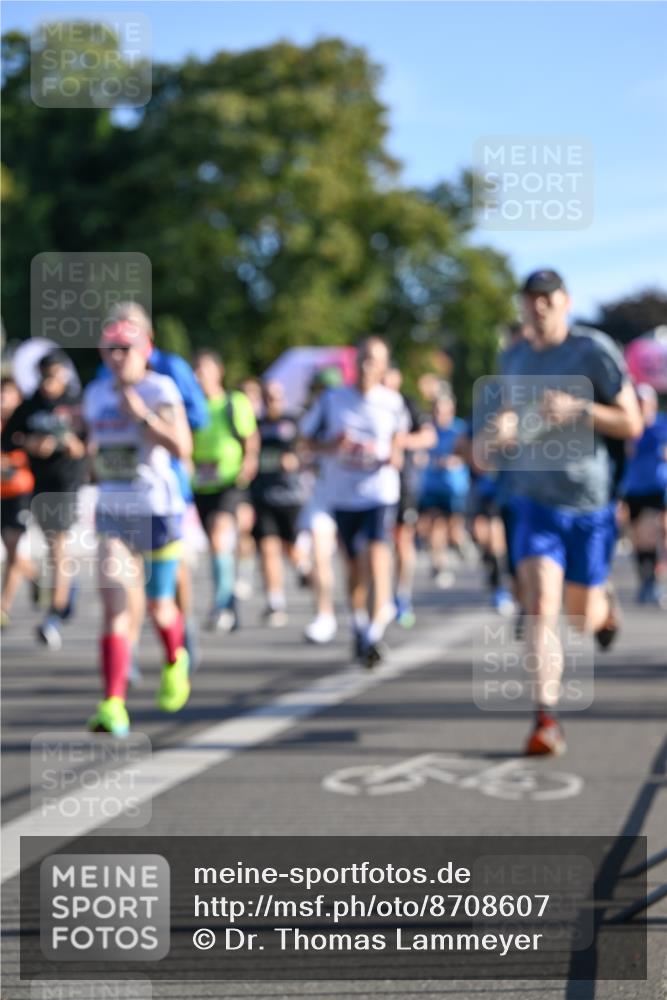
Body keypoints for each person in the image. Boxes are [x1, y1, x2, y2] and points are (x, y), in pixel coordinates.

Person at [477, 269, 643, 756]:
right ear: (523, 306)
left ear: (566, 301)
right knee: (539, 607)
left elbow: (631, 422)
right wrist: (501, 429)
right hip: (534, 502)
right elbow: (503, 419)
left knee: (580, 618)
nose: (539, 306)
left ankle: (603, 605)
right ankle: (545, 720)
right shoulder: (514, 358)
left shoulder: (594, 351)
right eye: (531, 299)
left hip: (589, 503)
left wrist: (580, 410)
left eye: (548, 297)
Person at [83, 318, 193, 735]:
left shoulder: (160, 390)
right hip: (113, 509)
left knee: (158, 606)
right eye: (108, 348)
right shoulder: (94, 395)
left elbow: (183, 448)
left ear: (145, 348)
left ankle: (173, 659)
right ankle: (113, 704)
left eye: (124, 348)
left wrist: (143, 417)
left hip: (156, 511)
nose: (115, 356)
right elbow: (97, 452)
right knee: (114, 605)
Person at [104, 302, 208, 672]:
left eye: (129, 332)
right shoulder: (106, 377)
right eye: (113, 335)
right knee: (121, 575)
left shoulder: (170, 369)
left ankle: (183, 631)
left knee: (168, 573)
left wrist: (152, 416)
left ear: (146, 337)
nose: (120, 347)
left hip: (168, 483)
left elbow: (199, 415)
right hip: (120, 492)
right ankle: (127, 648)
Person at [300, 336, 409, 667]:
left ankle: (374, 633)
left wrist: (391, 455)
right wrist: (332, 445)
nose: (366, 366)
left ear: (383, 367)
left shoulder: (392, 402)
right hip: (343, 494)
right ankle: (360, 623)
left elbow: (399, 446)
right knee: (352, 566)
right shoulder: (332, 400)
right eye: (362, 358)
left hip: (379, 492)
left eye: (374, 360)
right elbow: (304, 443)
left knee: (377, 554)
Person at [1, 351, 86, 649]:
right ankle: (64, 592)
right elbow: (11, 439)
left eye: (56, 375)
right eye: (46, 376)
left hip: (66, 482)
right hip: (37, 482)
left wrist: (72, 444)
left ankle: (53, 615)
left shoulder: (77, 403)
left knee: (56, 545)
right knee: (46, 546)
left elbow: (90, 443)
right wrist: (32, 444)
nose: (51, 382)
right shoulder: (30, 405)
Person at [192, 350, 258, 631]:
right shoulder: (189, 406)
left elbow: (250, 437)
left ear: (218, 371)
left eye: (204, 369)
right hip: (200, 483)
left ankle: (221, 605)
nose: (199, 375)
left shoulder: (234, 402)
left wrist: (249, 462)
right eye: (195, 369)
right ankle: (229, 599)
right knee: (214, 546)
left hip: (230, 481)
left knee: (220, 539)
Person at [383, 366, 436, 628]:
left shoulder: (407, 404)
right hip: (368, 487)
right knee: (375, 544)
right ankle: (381, 597)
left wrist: (401, 442)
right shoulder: (361, 402)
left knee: (402, 539)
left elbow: (428, 436)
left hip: (402, 484)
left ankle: (402, 595)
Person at [251, 380, 306, 626]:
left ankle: (304, 568)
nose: (271, 402)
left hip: (290, 497)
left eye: (275, 397)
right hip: (263, 496)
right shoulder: (256, 425)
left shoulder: (293, 422)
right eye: (267, 397)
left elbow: (306, 450)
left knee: (291, 550)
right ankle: (275, 602)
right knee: (267, 549)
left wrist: (295, 459)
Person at [296, 368, 343, 645]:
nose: (324, 395)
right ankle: (324, 614)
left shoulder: (353, 408)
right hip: (322, 495)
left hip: (356, 496)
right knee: (319, 553)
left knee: (358, 561)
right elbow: (303, 448)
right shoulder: (313, 416)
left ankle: (369, 616)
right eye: (319, 389)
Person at [418, 388, 470, 589]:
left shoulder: (460, 429)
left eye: (443, 409)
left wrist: (454, 460)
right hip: (431, 486)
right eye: (436, 410)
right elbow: (420, 450)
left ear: (451, 409)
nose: (440, 414)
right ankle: (439, 565)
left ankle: (460, 542)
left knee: (453, 529)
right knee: (434, 525)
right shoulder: (428, 430)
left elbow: (468, 454)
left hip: (454, 487)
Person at [621, 383, 667, 605]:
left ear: (653, 403)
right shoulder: (629, 426)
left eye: (645, 402)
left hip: (657, 489)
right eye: (638, 402)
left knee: (650, 533)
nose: (642, 406)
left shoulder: (661, 425)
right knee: (639, 539)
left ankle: (652, 582)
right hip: (632, 490)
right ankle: (645, 582)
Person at [1, 377, 37, 626]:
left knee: (13, 547)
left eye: (8, 393)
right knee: (11, 551)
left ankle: (3, 606)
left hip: (20, 492)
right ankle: (36, 577)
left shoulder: (25, 422)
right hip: (1, 494)